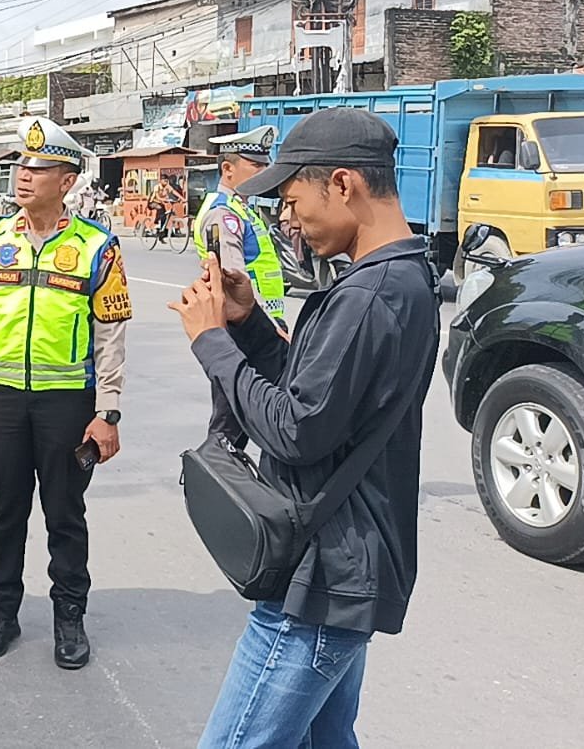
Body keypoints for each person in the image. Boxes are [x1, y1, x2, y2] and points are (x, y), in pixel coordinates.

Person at [168, 107, 440, 748]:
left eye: (292, 200)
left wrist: (212, 342)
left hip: (324, 578)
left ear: (341, 184)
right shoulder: (395, 278)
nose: (287, 220)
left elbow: (294, 429)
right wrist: (250, 323)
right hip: (342, 563)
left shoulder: (372, 294)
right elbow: (322, 396)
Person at [0, 116, 131, 671]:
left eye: (39, 168)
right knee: (5, 512)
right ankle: (0, 612)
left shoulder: (99, 247)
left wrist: (108, 411)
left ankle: (69, 614)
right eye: (21, 166)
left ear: (67, 180)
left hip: (68, 404)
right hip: (1, 400)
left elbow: (111, 333)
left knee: (65, 514)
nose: (23, 177)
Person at [193, 125, 289, 448]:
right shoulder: (223, 215)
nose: (264, 172)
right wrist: (268, 324)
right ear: (228, 169)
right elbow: (233, 279)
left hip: (263, 329)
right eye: (256, 166)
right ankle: (212, 487)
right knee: (230, 428)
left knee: (268, 418)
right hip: (244, 331)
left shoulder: (243, 209)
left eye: (265, 165)